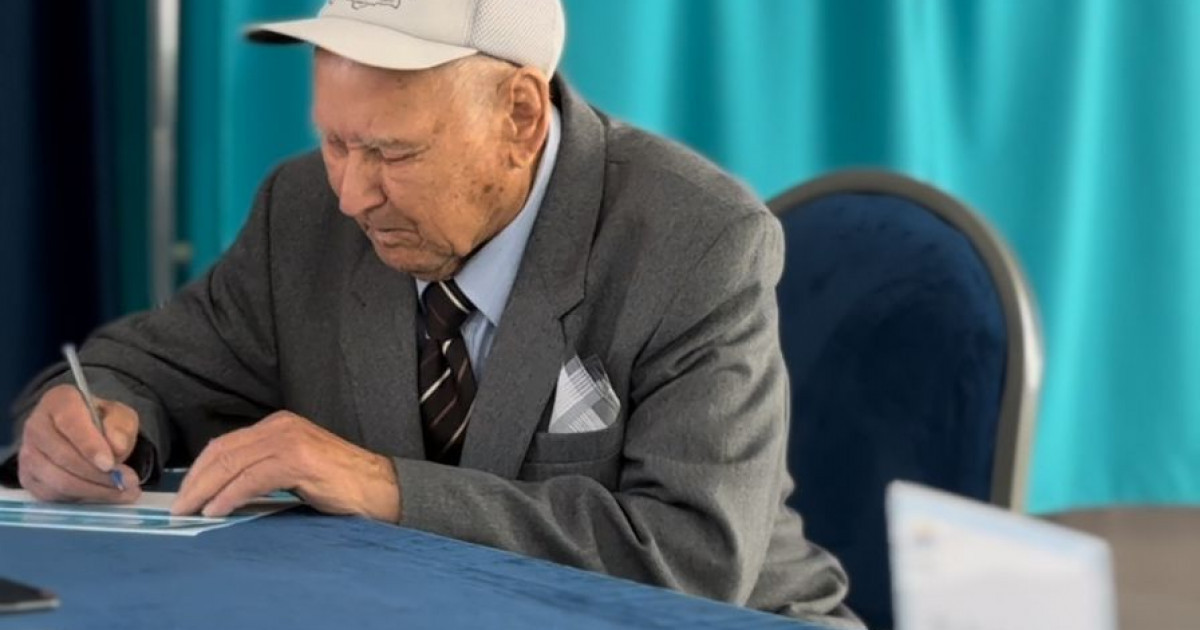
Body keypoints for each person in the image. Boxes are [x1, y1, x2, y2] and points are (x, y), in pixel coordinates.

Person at [2, 0, 860, 625]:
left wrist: (384, 487)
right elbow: (148, 370)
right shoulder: (301, 211)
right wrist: (92, 418)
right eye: (335, 141)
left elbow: (688, 561)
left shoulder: (698, 240)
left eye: (392, 152)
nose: (351, 194)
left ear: (519, 116)